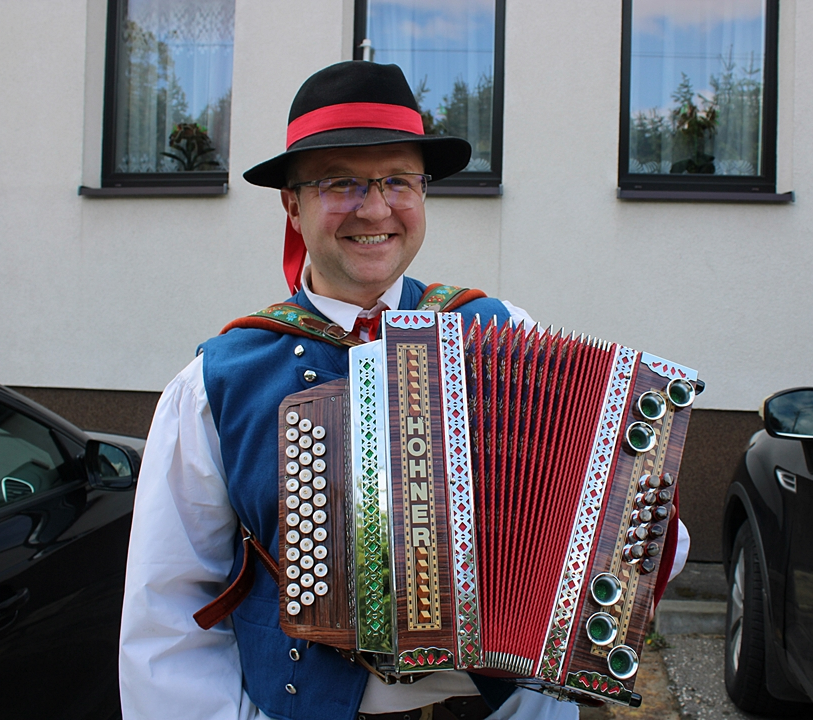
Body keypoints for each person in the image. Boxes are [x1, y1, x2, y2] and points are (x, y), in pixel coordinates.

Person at [119, 61, 690, 720]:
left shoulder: (503, 333)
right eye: (340, 182)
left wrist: (636, 525)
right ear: (292, 205)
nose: (375, 208)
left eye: (398, 180)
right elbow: (166, 611)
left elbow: (618, 536)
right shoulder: (216, 383)